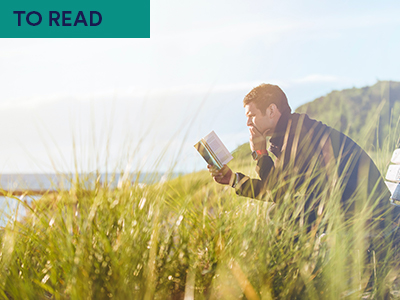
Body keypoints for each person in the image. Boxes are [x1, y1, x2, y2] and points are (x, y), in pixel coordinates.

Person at [208, 83, 398, 232]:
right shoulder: (290, 132)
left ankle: (307, 276)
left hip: (367, 210)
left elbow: (277, 192)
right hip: (351, 202)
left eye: (252, 115)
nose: (248, 123)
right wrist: (233, 179)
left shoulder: (299, 134)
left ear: (272, 111)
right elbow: (279, 190)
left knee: (280, 212)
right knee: (283, 210)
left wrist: (260, 153)